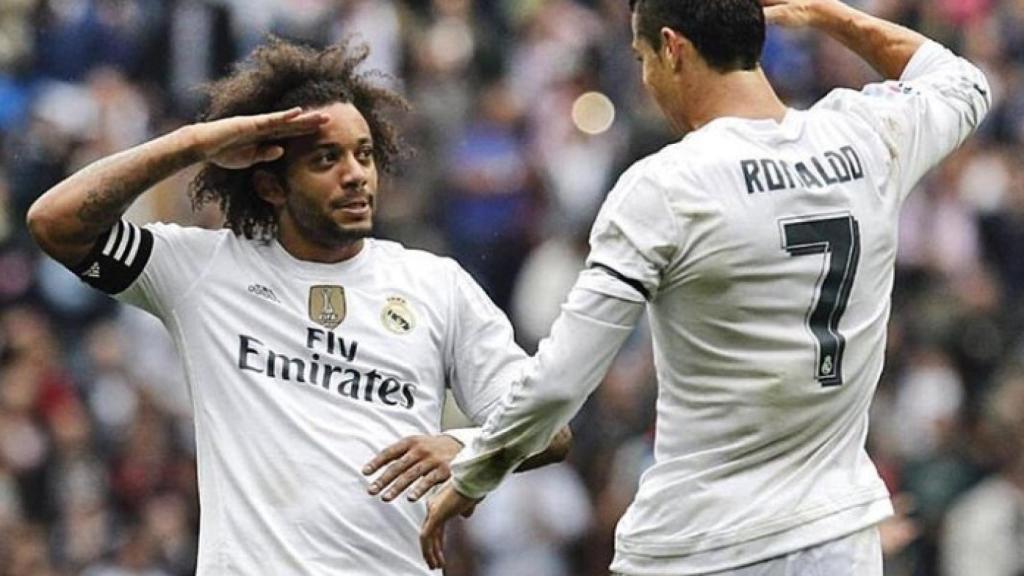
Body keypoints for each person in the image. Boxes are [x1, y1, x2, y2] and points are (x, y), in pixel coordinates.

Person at [420, 0, 991, 574]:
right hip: (837, 539)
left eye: (643, 59)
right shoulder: (866, 139)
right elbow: (960, 80)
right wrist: (831, 15)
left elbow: (562, 378)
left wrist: (476, 471)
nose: (645, 81)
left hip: (700, 544)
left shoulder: (667, 187)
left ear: (673, 48)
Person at [25, 38, 568, 575]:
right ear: (271, 185)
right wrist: (193, 145)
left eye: (364, 153)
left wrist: (466, 446)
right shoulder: (203, 271)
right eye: (326, 158)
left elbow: (551, 430)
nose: (355, 173)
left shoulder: (434, 284)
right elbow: (56, 223)